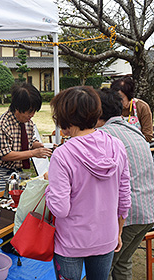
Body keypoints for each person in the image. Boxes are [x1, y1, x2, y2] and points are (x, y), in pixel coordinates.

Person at [45, 86, 131, 280]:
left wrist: (49, 189)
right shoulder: (116, 145)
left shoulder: (63, 154)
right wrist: (118, 232)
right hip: (106, 237)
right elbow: (124, 198)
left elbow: (60, 209)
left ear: (64, 116)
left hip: (71, 242)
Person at [0, 83, 52, 255]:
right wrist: (33, 152)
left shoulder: (28, 123)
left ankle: (9, 244)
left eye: (33, 111)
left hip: (17, 173)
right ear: (16, 108)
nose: (31, 115)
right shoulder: (2, 124)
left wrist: (43, 147)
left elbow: (29, 142)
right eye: (28, 111)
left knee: (14, 209)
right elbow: (4, 154)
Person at [96, 88, 154, 280]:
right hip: (148, 210)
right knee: (123, 262)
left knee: (104, 267)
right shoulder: (132, 129)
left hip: (130, 213)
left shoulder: (105, 136)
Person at [111, 76, 153, 142]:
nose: (118, 102)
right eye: (115, 98)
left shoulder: (142, 107)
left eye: (121, 98)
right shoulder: (110, 108)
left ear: (129, 96)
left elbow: (148, 136)